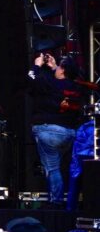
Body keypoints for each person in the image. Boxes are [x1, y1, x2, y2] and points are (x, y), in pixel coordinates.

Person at [27, 52, 87, 207]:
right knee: (57, 167)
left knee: (52, 169)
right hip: (69, 134)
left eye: (60, 67)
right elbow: (63, 81)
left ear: (62, 71)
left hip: (49, 131)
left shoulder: (48, 83)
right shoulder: (76, 86)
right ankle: (58, 200)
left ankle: (56, 203)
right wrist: (54, 67)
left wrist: (37, 64)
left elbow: (31, 79)